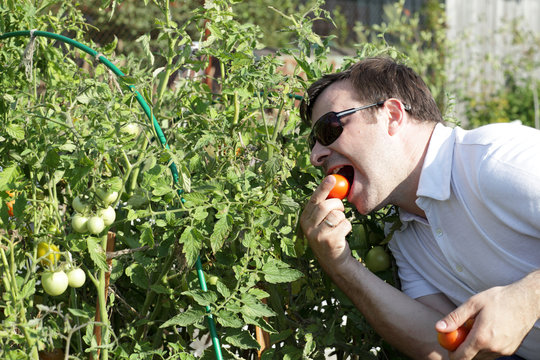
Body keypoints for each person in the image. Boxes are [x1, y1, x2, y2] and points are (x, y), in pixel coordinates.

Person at [299, 57, 540, 360]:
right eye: (313, 142)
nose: (316, 156)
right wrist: (340, 265)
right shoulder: (402, 235)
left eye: (329, 128)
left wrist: (528, 297)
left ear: (393, 115)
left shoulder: (496, 161)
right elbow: (440, 343)